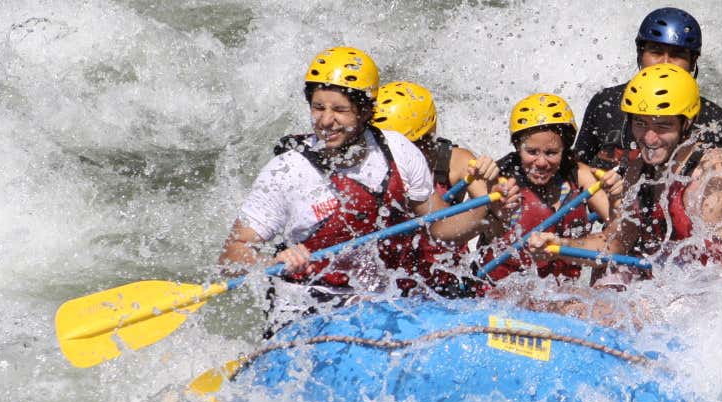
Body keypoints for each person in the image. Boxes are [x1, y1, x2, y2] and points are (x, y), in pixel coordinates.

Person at [218, 46, 516, 331]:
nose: (325, 121)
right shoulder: (286, 171)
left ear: (364, 111)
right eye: (318, 107)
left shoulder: (397, 149)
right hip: (309, 316)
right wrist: (271, 262)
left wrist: (487, 211)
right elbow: (232, 253)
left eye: (340, 110)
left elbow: (437, 228)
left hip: (384, 309)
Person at [530, 63, 722, 281]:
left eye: (663, 126)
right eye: (641, 124)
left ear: (687, 125)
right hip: (676, 291)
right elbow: (615, 243)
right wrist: (564, 245)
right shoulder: (636, 172)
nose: (650, 138)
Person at [371, 81, 500, 297]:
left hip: (444, 276)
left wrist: (492, 184)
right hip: (388, 278)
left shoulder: (455, 162)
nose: (395, 156)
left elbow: (496, 214)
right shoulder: (370, 165)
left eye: (405, 146)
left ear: (428, 139)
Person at [476, 93, 621, 283]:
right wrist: (492, 202)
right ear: (518, 147)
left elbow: (619, 232)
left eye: (551, 153)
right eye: (532, 152)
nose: (541, 162)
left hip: (559, 294)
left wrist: (615, 198)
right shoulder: (501, 181)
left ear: (565, 150)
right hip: (498, 295)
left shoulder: (579, 174)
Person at [572, 7, 722, 171]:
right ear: (640, 54)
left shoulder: (712, 119)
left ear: (692, 62)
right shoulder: (607, 103)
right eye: (656, 52)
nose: (665, 62)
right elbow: (576, 168)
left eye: (677, 55)